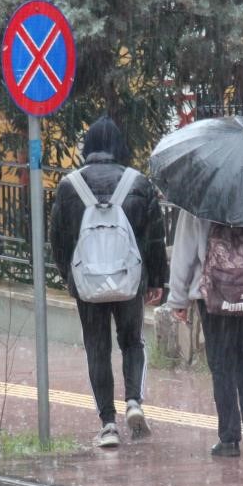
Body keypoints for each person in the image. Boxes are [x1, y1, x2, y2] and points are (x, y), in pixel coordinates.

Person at [49, 116, 168, 448]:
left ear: (88, 146)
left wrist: (70, 277)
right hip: (129, 281)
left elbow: (58, 240)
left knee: (97, 349)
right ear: (119, 146)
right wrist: (157, 281)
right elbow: (154, 239)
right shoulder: (138, 183)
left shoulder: (70, 186)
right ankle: (133, 401)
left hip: (87, 284)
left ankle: (107, 424)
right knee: (132, 342)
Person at [166, 209, 243, 457]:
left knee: (221, 364)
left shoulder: (198, 199)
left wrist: (178, 298)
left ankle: (229, 438)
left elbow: (184, 253)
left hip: (212, 294)